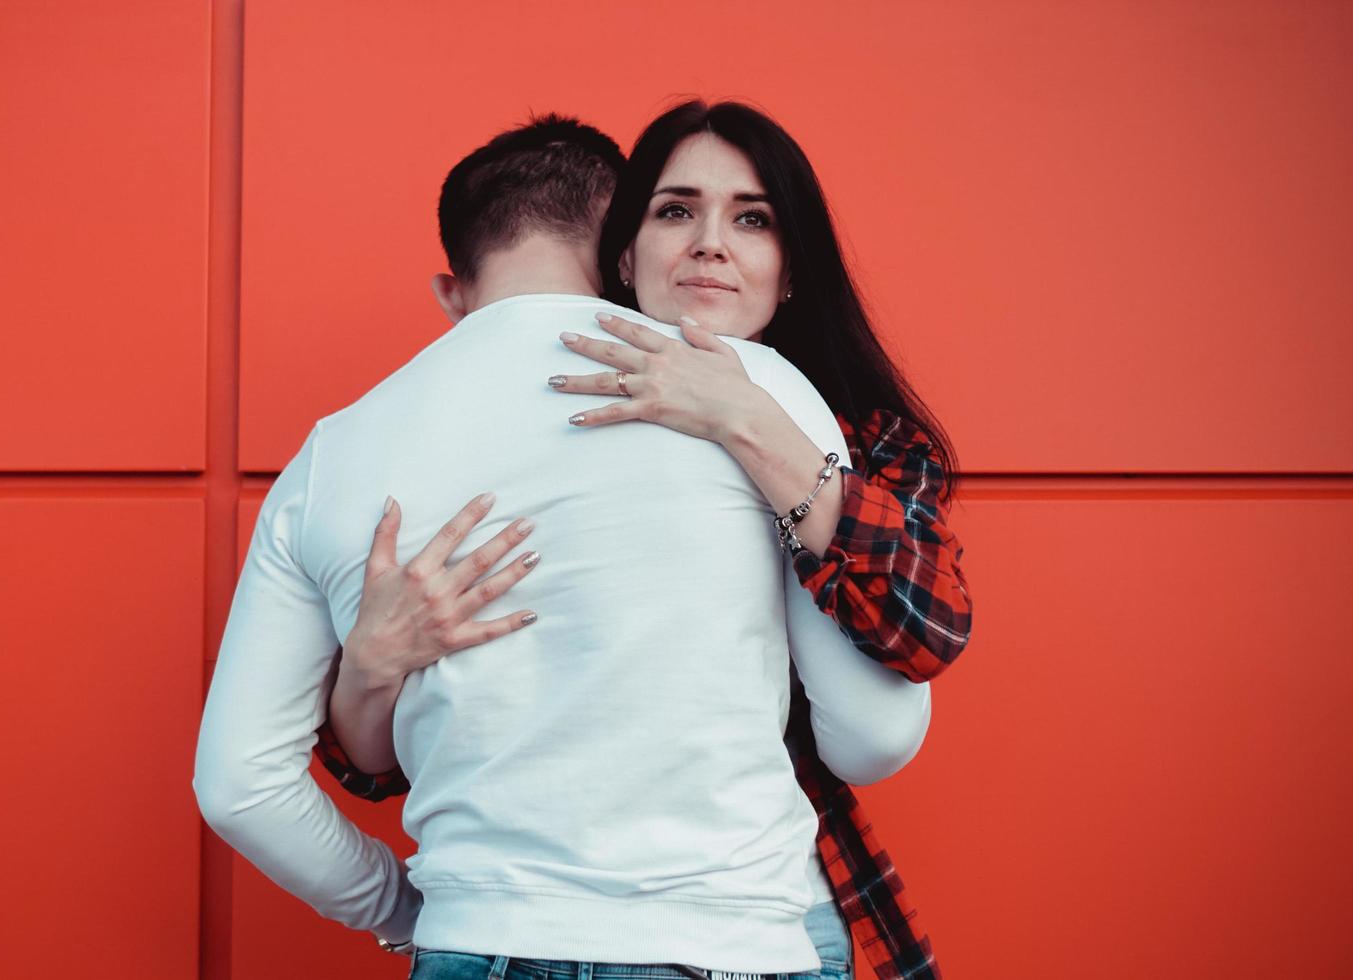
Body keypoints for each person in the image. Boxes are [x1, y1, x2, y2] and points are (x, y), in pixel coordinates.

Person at [194, 113, 934, 979]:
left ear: (452, 285)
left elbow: (239, 787)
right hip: (727, 940)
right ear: (623, 254)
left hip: (477, 943)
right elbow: (873, 733)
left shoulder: (333, 454)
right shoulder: (750, 389)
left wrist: (417, 909)